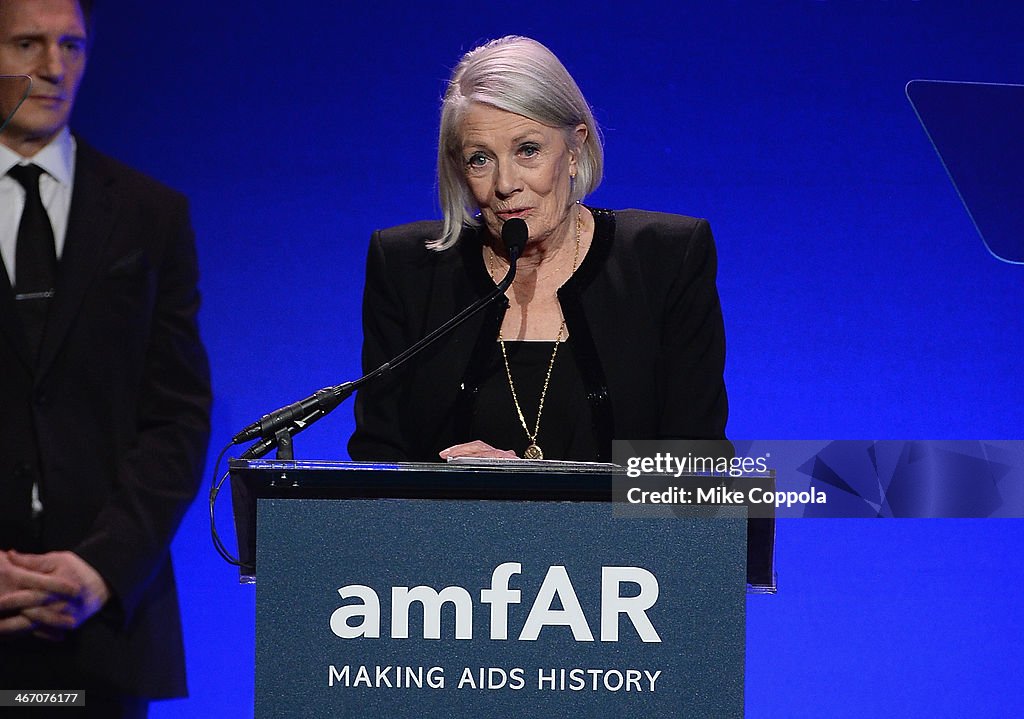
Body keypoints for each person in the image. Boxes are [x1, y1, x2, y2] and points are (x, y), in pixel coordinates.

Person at [348, 35, 727, 464]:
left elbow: (699, 471)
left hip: (626, 534)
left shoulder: (664, 259)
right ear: (457, 166)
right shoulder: (407, 268)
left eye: (528, 150)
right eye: (480, 159)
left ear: (573, 148)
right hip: (449, 532)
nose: (506, 183)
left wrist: (534, 485)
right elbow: (377, 464)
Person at [0, 1, 211, 716]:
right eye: (28, 43)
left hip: (102, 627)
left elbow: (177, 417)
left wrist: (101, 567)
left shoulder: (154, 215)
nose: (54, 68)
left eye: (72, 45)